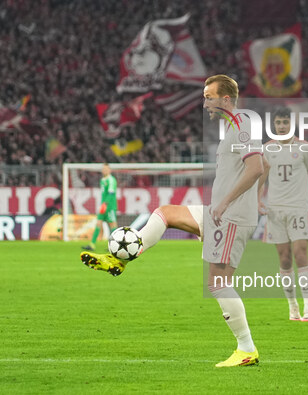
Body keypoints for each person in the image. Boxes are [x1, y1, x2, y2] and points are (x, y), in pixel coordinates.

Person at [80, 74, 264, 367]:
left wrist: (229, 202)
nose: (204, 103)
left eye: (209, 97)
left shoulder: (242, 123)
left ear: (226, 99)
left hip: (231, 216)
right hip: (220, 211)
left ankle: (246, 349)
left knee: (218, 283)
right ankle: (123, 258)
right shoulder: (233, 127)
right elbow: (254, 168)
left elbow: (256, 167)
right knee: (165, 213)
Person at [258, 107, 308, 322]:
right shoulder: (267, 149)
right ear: (274, 125)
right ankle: (292, 306)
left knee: (300, 254)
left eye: (285, 122)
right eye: (279, 123)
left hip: (298, 208)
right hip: (275, 209)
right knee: (284, 259)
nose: (282, 126)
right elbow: (261, 177)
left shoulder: (304, 148)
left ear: (291, 125)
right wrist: (258, 199)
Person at [82, 164, 118, 251]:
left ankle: (115, 246)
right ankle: (92, 245)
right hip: (103, 206)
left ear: (109, 170)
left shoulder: (111, 180)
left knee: (112, 225)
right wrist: (102, 205)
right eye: (103, 169)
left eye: (106, 169)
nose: (104, 170)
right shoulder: (102, 180)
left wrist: (105, 204)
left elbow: (111, 193)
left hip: (109, 206)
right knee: (98, 223)